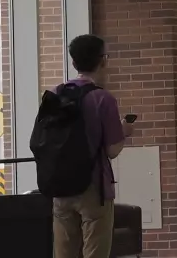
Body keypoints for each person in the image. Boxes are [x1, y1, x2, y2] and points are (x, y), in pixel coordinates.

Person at [50, 33, 130, 258]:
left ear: (73, 62)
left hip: (60, 185)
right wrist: (124, 132)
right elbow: (112, 150)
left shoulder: (55, 94)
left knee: (63, 253)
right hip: (94, 187)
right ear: (102, 61)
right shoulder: (103, 99)